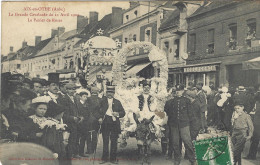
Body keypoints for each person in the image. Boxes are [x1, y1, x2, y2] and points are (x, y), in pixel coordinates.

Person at [164, 84, 196, 165]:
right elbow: (167, 112)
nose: (178, 92)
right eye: (177, 91)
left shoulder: (187, 101)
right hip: (174, 125)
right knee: (175, 142)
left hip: (184, 125)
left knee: (187, 142)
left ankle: (192, 159)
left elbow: (191, 114)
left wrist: (192, 125)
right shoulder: (171, 101)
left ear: (183, 91)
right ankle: (177, 159)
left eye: (180, 91)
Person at [99, 83, 125, 164]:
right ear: (106, 93)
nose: (109, 94)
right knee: (105, 141)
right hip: (105, 122)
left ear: (114, 93)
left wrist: (118, 113)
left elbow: (123, 112)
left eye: (111, 92)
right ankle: (104, 158)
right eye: (108, 92)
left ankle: (113, 159)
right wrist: (99, 118)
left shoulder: (117, 102)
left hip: (114, 123)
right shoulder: (102, 101)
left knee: (114, 141)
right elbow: (96, 111)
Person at [62, 82, 83, 159]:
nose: (72, 91)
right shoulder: (64, 99)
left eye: (73, 89)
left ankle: (75, 153)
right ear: (66, 90)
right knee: (70, 140)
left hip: (76, 122)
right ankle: (69, 155)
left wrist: (80, 117)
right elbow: (63, 114)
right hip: (68, 122)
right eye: (69, 89)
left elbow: (77, 110)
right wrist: (72, 118)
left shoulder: (75, 98)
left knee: (76, 138)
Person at [83, 86, 103, 155]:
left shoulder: (87, 99)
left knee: (88, 135)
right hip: (97, 119)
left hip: (88, 119)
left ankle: (89, 150)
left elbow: (85, 108)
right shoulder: (100, 100)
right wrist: (100, 117)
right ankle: (93, 149)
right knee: (95, 134)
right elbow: (101, 111)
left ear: (91, 92)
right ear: (97, 92)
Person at [245, 85, 260, 160]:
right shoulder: (257, 102)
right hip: (257, 121)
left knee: (255, 139)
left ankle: (252, 155)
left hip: (258, 123)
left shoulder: (257, 101)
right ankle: (252, 155)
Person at [76, 88, 90, 157]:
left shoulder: (87, 104)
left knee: (83, 138)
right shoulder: (77, 104)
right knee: (77, 138)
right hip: (79, 123)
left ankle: (81, 152)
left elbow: (89, 114)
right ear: (80, 97)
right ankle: (76, 152)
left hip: (85, 123)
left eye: (86, 97)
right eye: (84, 96)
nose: (85, 98)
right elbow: (76, 113)